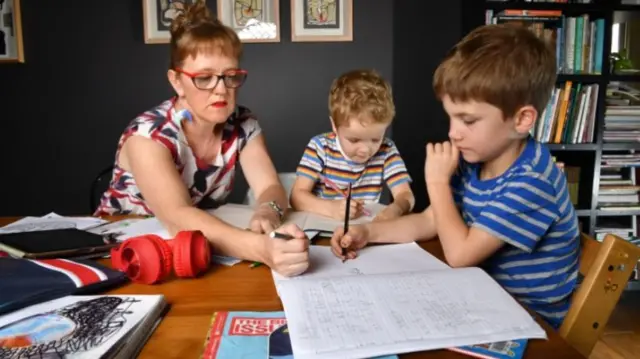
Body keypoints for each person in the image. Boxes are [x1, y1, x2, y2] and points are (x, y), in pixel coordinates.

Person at [329, 24, 580, 329]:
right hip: (481, 294)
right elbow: (430, 220)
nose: (452, 132)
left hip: (527, 319)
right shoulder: (476, 160)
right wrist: (367, 233)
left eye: (468, 120)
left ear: (522, 119)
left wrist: (436, 183)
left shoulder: (532, 181)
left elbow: (460, 255)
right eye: (451, 117)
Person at [94, 2, 308, 277]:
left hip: (188, 248)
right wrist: (262, 248)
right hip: (122, 255)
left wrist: (268, 210)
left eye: (230, 77)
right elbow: (178, 216)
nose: (220, 90)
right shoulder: (147, 135)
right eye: (204, 78)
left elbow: (269, 186)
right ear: (177, 81)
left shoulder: (244, 125)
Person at [290, 69, 415, 221]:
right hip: (323, 226)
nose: (365, 150)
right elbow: (296, 197)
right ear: (335, 126)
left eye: (375, 139)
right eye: (354, 140)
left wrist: (396, 209)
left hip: (365, 229)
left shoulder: (387, 150)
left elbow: (406, 195)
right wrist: (333, 209)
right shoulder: (320, 147)